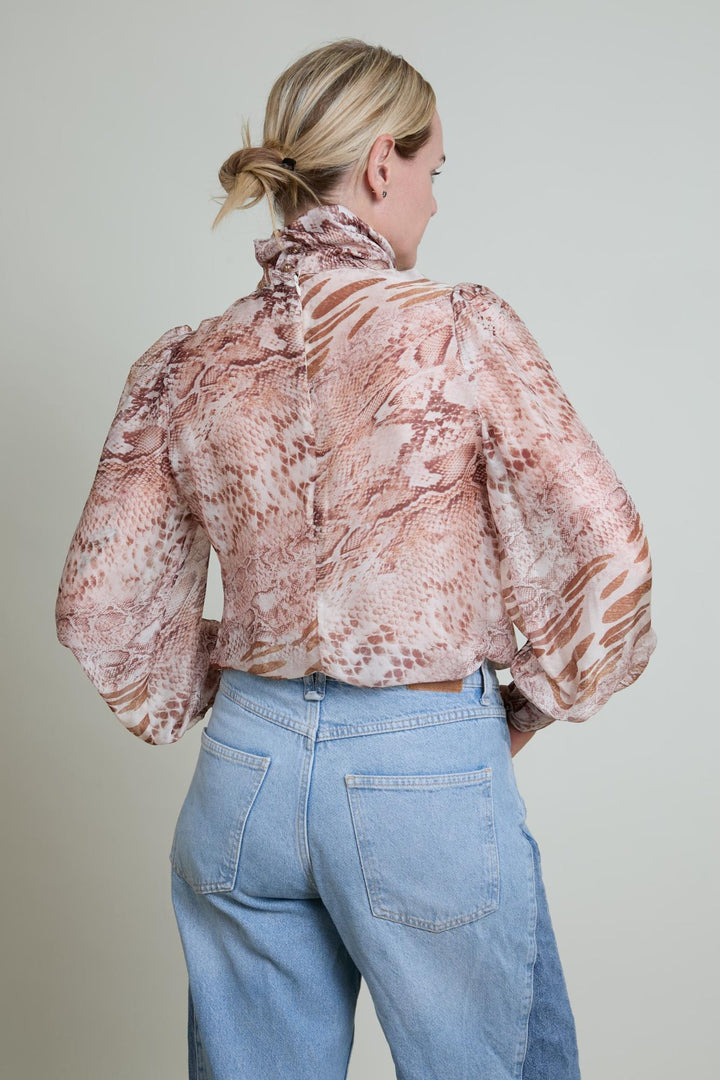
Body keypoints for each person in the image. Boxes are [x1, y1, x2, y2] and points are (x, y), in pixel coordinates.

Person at [54, 37, 656, 1080]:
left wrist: (246, 675)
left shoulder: (190, 360)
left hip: (242, 773)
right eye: (433, 171)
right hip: (421, 766)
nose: (433, 200)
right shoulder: (457, 329)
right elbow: (608, 551)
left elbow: (100, 609)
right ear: (383, 163)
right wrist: (522, 707)